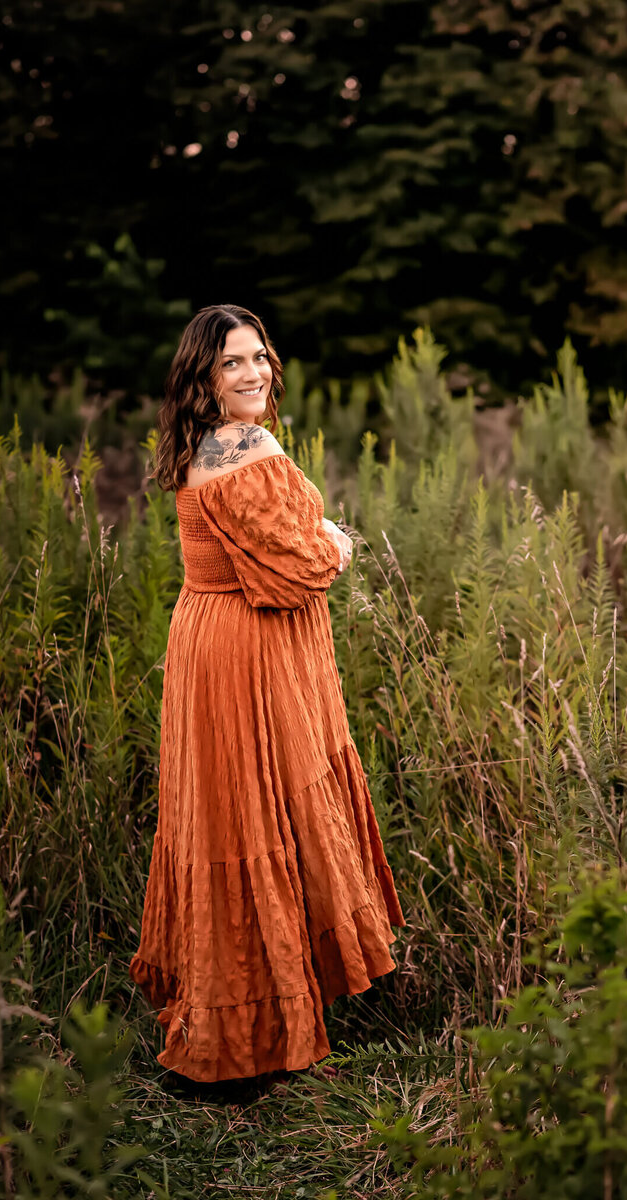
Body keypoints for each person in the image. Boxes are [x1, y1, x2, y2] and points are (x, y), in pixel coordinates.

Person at [129, 303, 406, 1084]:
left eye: (258, 357)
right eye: (232, 364)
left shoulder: (196, 444)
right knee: (258, 808)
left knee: (226, 811)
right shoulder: (249, 444)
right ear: (204, 379)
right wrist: (339, 544)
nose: (252, 374)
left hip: (206, 639)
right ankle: (255, 1026)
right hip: (247, 647)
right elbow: (293, 570)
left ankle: (238, 1006)